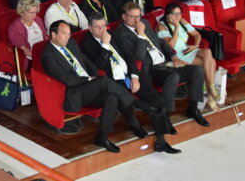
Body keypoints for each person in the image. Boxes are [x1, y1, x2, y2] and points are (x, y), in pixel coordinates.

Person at [40, 20, 157, 151]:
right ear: (53, 35)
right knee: (104, 81)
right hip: (75, 92)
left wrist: (94, 77)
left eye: (69, 33)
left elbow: (87, 62)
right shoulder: (48, 56)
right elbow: (66, 79)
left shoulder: (71, 43)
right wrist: (90, 79)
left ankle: (102, 137)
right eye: (64, 34)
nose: (68, 36)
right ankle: (135, 103)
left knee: (111, 97)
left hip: (91, 87)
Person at [82, 14, 182, 154]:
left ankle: (161, 142)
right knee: (123, 97)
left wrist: (135, 77)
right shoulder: (86, 43)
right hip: (112, 81)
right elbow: (100, 65)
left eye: (103, 26)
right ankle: (135, 120)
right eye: (98, 27)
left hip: (130, 76)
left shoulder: (112, 35)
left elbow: (130, 57)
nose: (101, 30)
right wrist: (105, 44)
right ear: (90, 28)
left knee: (157, 100)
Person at [114, 2, 210, 127]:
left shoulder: (144, 23)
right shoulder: (121, 33)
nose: (137, 20)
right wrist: (141, 35)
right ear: (124, 17)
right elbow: (138, 56)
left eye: (138, 16)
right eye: (133, 17)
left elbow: (159, 41)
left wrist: (174, 56)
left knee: (197, 71)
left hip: (165, 62)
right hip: (150, 70)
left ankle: (193, 108)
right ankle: (166, 116)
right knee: (173, 77)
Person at [157, 3, 221, 111]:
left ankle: (210, 89)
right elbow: (170, 46)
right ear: (168, 15)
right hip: (175, 55)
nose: (178, 16)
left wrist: (195, 45)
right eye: (175, 14)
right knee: (210, 63)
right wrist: (176, 27)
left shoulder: (182, 21)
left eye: (179, 13)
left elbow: (197, 35)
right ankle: (210, 94)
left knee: (207, 52)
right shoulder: (162, 26)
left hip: (187, 50)